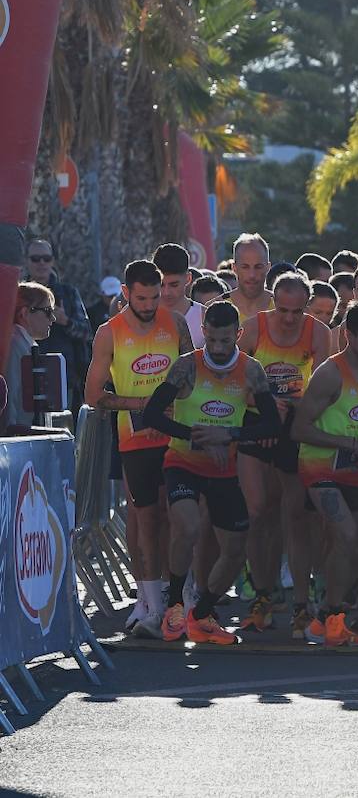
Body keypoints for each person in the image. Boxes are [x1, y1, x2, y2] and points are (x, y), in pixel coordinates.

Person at [141, 300, 281, 645]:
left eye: (225, 341)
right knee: (187, 527)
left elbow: (272, 424)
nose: (218, 349)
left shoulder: (252, 371)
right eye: (212, 340)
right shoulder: (187, 366)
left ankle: (201, 614)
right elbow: (152, 415)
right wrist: (196, 436)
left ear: (238, 334)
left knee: (235, 549)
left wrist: (228, 435)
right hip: (183, 462)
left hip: (223, 468)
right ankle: (175, 603)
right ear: (204, 333)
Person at [84, 260, 193, 637]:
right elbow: (94, 395)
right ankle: (149, 602)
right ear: (126, 294)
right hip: (135, 438)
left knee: (177, 515)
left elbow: (192, 377)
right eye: (141, 298)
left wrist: (177, 401)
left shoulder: (176, 324)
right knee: (146, 519)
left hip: (175, 436)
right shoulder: (108, 332)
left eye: (154, 296)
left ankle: (179, 596)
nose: (148, 305)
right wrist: (144, 404)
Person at [235, 272, 333, 636]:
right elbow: (231, 380)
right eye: (283, 309)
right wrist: (260, 402)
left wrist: (295, 406)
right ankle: (262, 593)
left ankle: (302, 603)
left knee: (296, 515)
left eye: (296, 311)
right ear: (272, 301)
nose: (289, 318)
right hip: (257, 424)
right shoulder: (254, 327)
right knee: (258, 511)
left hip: (294, 427)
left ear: (306, 306)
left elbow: (324, 388)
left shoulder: (318, 333)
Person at [292, 299, 358, 647]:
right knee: (347, 537)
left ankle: (324, 618)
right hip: (320, 467)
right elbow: (299, 429)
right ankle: (332, 616)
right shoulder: (330, 374)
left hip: (355, 467)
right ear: (348, 336)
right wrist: (353, 445)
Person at [26, 238, 92, 406]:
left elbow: (87, 332)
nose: (41, 263)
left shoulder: (68, 293)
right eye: (35, 259)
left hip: (65, 378)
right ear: (26, 261)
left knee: (66, 429)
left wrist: (66, 321)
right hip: (26, 375)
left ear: (53, 261)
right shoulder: (19, 295)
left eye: (46, 258)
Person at [6, 282, 58, 431]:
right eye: (47, 311)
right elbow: (9, 397)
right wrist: (10, 439)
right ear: (24, 313)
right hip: (17, 443)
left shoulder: (22, 343)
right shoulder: (14, 345)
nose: (53, 318)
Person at [152, 243, 205, 350]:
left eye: (174, 285)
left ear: (188, 278)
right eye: (161, 284)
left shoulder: (204, 316)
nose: (166, 292)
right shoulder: (138, 314)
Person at [225, 233, 274, 321]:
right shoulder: (216, 308)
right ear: (234, 268)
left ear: (268, 267)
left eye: (258, 267)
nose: (252, 275)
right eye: (245, 267)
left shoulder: (283, 308)